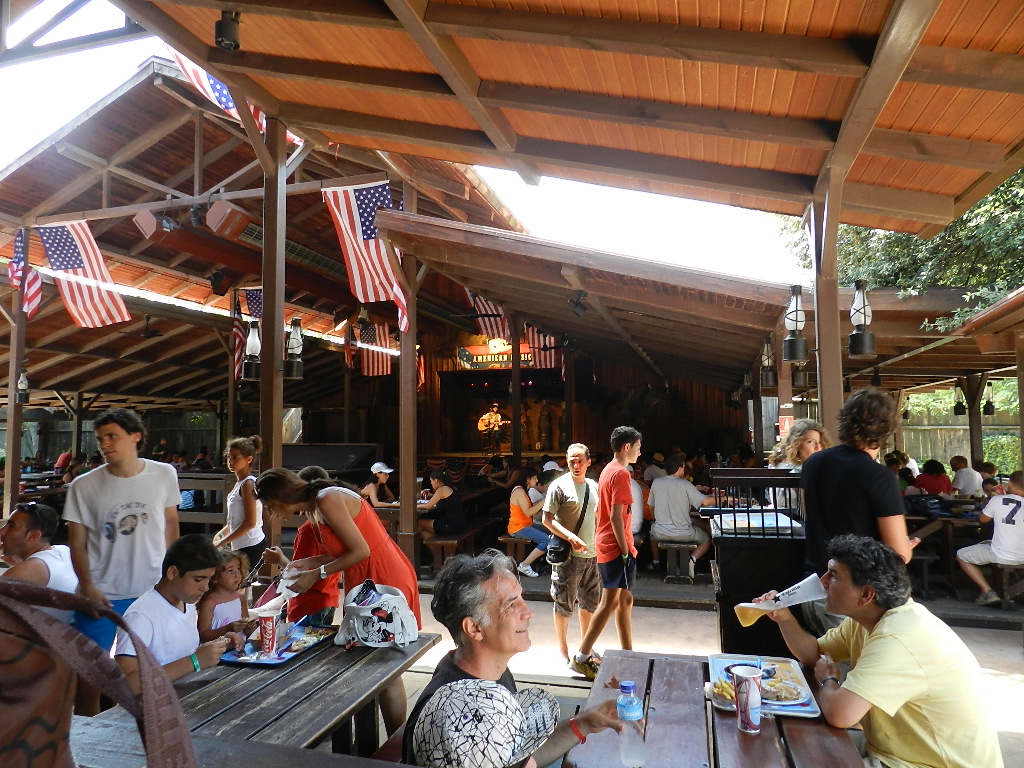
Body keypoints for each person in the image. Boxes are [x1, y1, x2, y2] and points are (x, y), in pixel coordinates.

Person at [753, 535, 1003, 768]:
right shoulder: (867, 619)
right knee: (790, 744)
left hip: (928, 763)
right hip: (894, 751)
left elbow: (841, 714)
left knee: (796, 753)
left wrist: (828, 680)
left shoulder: (899, 638)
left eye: (834, 576)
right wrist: (784, 618)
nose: (823, 583)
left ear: (866, 594)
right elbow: (814, 652)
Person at [401, 550, 620, 766]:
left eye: (521, 598)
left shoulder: (491, 674)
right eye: (511, 604)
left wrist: (583, 723)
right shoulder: (459, 714)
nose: (528, 612)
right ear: (475, 628)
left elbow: (521, 757)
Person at [255, 467, 420, 734]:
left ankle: (397, 741)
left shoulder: (327, 499)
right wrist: (308, 563)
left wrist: (315, 575)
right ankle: (391, 739)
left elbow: (362, 550)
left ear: (281, 496)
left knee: (384, 664)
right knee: (375, 661)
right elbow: (340, 550)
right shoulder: (314, 508)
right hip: (364, 578)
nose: (272, 513)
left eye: (270, 506)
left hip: (381, 576)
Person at [800, 388, 917, 635]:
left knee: (823, 666)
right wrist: (908, 546)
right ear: (887, 429)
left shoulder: (814, 463)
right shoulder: (879, 477)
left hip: (812, 586)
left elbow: (813, 515)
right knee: (852, 670)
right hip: (854, 596)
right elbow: (897, 554)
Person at [64, 408, 181, 654]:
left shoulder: (164, 474)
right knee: (91, 670)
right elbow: (77, 543)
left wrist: (174, 575)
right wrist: (86, 585)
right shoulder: (82, 486)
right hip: (102, 593)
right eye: (100, 438)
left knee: (152, 664)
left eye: (112, 436)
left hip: (152, 589)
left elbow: (171, 523)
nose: (104, 444)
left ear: (135, 436)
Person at [114, 534, 241, 694]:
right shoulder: (141, 616)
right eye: (198, 580)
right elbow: (127, 685)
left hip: (189, 697)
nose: (205, 588)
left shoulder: (187, 603)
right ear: (173, 572)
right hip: (155, 710)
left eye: (208, 580)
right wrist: (195, 661)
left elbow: (181, 651)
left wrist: (220, 645)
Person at [569, 426, 642, 681]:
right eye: (638, 447)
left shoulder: (607, 470)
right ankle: (582, 656)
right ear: (626, 447)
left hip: (608, 543)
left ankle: (628, 653)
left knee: (624, 600)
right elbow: (614, 517)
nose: (639, 452)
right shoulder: (621, 474)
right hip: (615, 546)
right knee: (609, 602)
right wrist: (624, 551)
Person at [542, 443, 602, 665]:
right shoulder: (558, 486)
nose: (576, 465)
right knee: (564, 602)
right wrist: (571, 537)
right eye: (571, 461)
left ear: (588, 462)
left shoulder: (593, 486)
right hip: (568, 556)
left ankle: (586, 646)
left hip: (592, 554)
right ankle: (563, 649)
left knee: (589, 602)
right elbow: (546, 520)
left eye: (580, 461)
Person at [0, 502, 79, 622]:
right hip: (68, 634)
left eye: (11, 526)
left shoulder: (29, 570)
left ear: (33, 536)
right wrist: (20, 564)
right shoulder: (63, 550)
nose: (2, 531)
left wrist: (21, 568)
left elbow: (32, 572)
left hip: (45, 639)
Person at [957, 470, 1024, 605]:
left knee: (961, 555)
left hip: (1001, 553)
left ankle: (988, 592)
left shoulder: (997, 499)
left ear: (1009, 484)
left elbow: (983, 519)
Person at [647, 457, 714, 577]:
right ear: (679, 468)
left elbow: (651, 507)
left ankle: (656, 562)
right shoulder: (686, 484)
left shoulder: (656, 482)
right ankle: (692, 560)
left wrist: (656, 520)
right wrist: (725, 499)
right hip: (685, 533)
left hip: (660, 532)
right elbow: (704, 502)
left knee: (652, 532)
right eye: (683, 466)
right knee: (707, 539)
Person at [213, 434, 266, 568]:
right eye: (229, 457)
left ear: (249, 459)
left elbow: (250, 522)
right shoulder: (240, 484)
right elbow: (236, 520)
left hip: (250, 544)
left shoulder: (248, 484)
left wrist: (222, 542)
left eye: (235, 457)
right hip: (240, 544)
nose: (230, 461)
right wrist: (220, 535)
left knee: (239, 585)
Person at [198, 548, 255, 641]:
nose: (237, 574)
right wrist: (227, 629)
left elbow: (247, 631)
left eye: (238, 569)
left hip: (239, 650)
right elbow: (203, 635)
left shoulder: (240, 598)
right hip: (218, 653)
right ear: (215, 577)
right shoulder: (210, 603)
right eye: (230, 571)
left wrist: (250, 626)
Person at [507, 468, 550, 578]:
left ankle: (547, 561)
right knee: (547, 540)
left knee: (553, 532)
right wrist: (543, 501)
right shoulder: (519, 492)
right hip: (518, 527)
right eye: (534, 478)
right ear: (527, 479)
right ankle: (525, 565)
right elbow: (528, 512)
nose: (536, 481)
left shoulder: (524, 491)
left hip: (526, 525)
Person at [418, 469, 466, 541]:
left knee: (420, 522)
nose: (431, 483)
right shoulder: (452, 487)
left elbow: (427, 506)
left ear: (436, 480)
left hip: (450, 525)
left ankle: (412, 549)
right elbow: (438, 497)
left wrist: (413, 506)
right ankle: (436, 552)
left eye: (431, 481)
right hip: (459, 525)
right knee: (425, 533)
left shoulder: (441, 490)